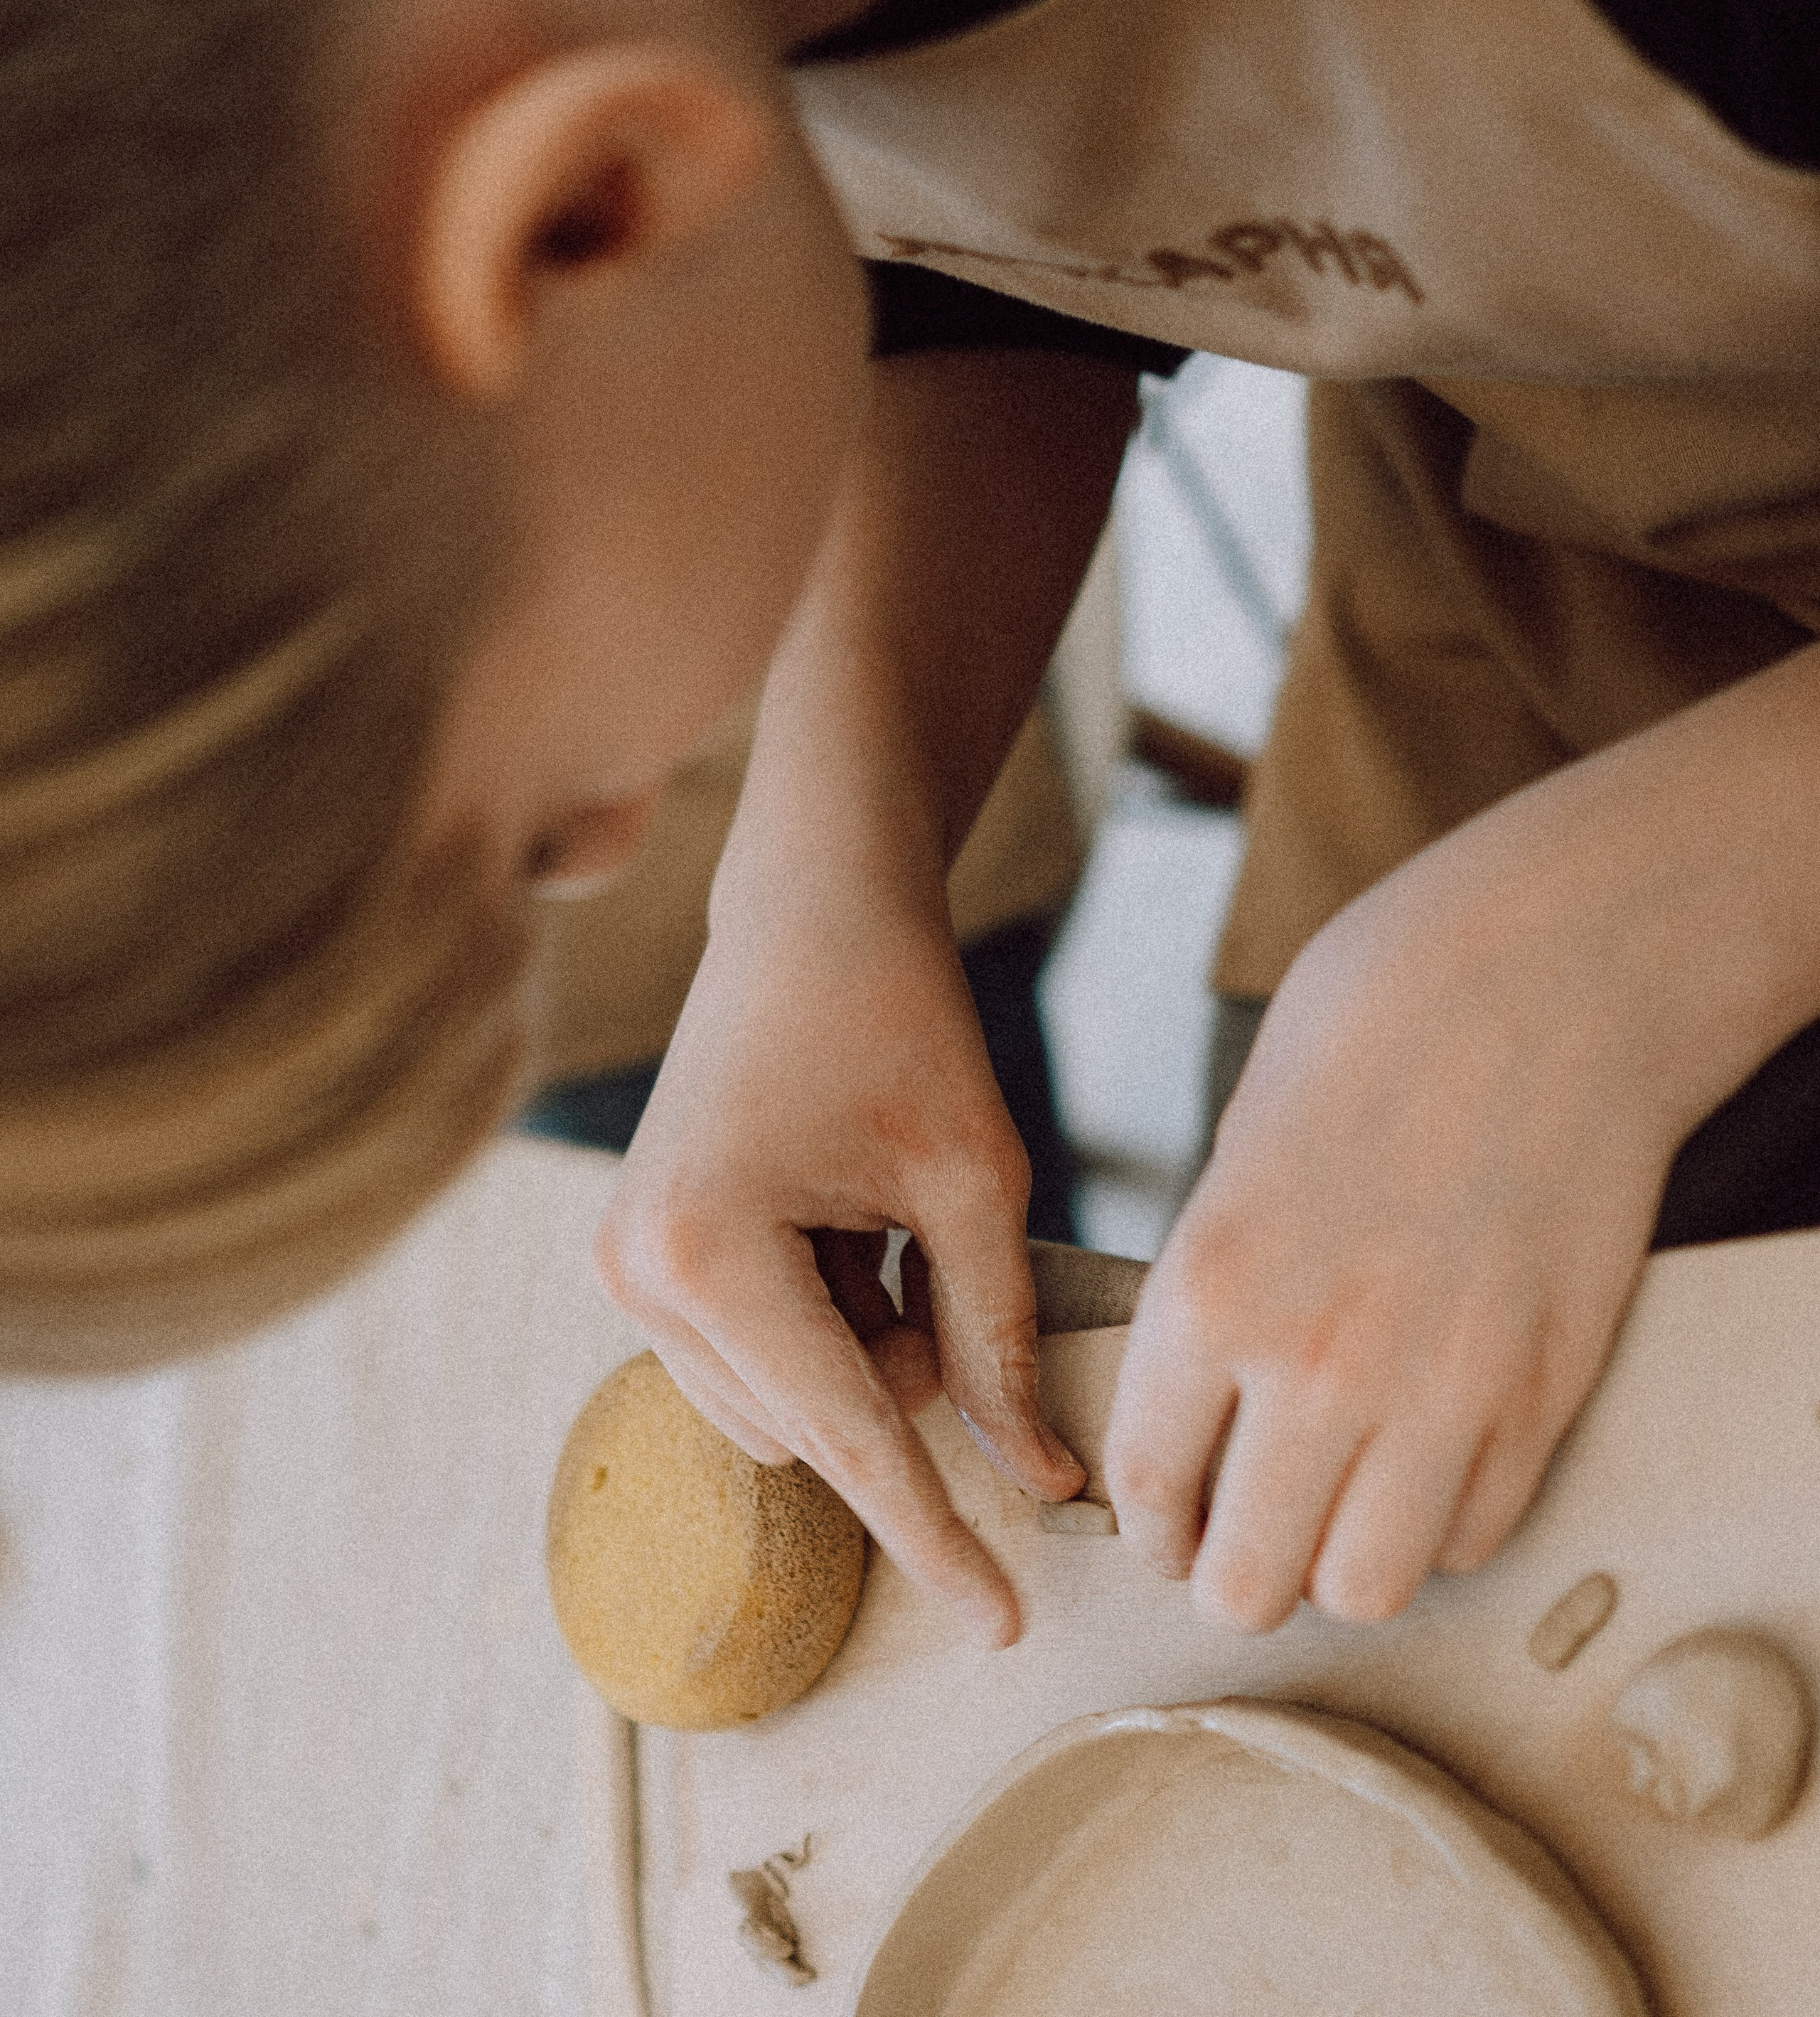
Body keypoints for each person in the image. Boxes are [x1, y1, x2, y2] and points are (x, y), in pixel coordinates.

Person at [7, 3, 1820, 1652]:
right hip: (1525, 601)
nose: (623, 840)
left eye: (546, 826)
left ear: (582, 206)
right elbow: (981, 249)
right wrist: (825, 864)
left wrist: (1626, 939)